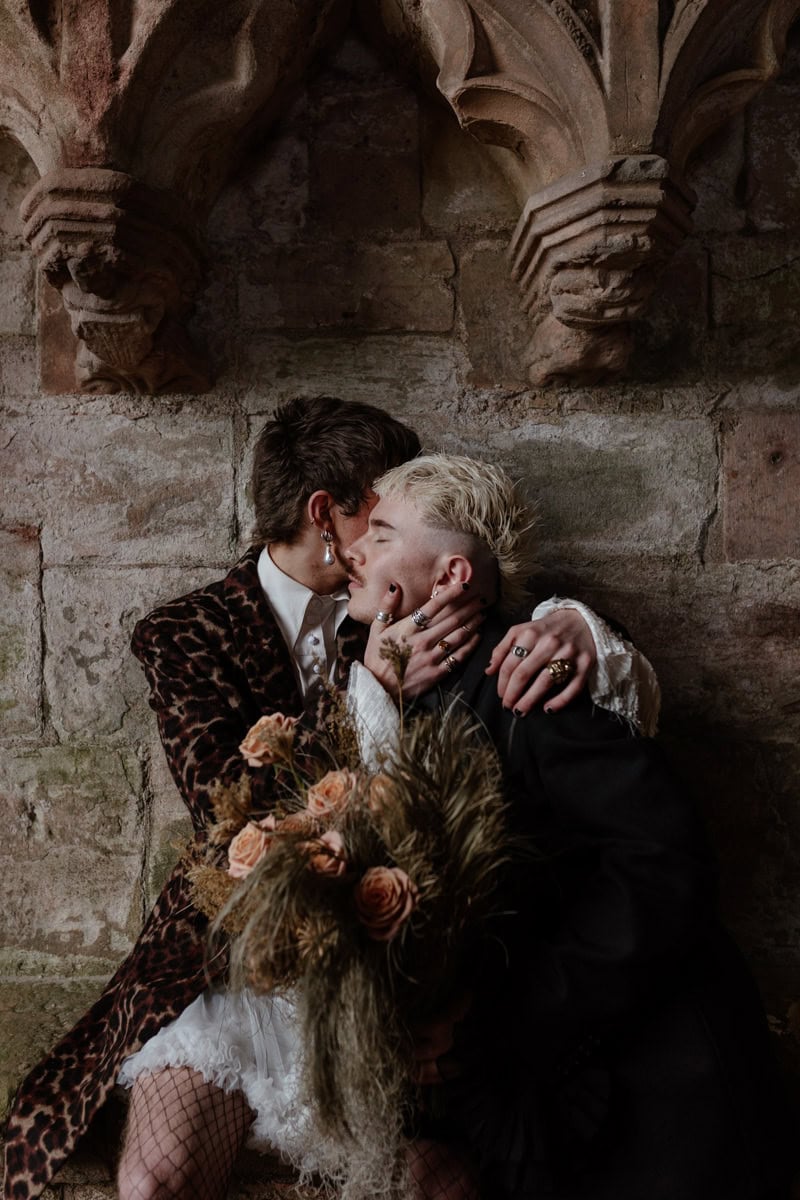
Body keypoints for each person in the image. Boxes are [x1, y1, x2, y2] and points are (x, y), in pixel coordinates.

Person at [2, 398, 658, 1200]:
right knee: (155, 1179)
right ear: (325, 513)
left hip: (388, 951)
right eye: (376, 516)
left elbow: (509, 600)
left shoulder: (410, 592)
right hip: (229, 948)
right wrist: (368, 686)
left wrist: (581, 629)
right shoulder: (185, 631)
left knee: (434, 1182)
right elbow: (222, 804)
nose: (388, 532)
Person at [342, 453, 795, 1200]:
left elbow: (663, 864)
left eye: (382, 533)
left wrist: (501, 1017)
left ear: (453, 576)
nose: (355, 547)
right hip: (541, 1089)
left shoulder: (527, 675)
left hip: (660, 1096)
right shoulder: (393, 694)